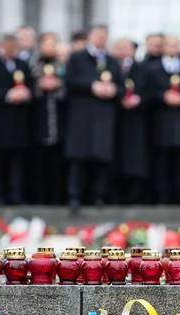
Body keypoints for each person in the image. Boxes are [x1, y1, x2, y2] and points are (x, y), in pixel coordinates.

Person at [65, 25, 124, 212]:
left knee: (101, 159)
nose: (100, 39)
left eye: (103, 36)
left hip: (104, 117)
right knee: (79, 159)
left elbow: (122, 86)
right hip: (81, 116)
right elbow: (70, 81)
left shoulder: (112, 62)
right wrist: (92, 86)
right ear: (90, 37)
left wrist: (114, 89)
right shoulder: (77, 58)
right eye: (97, 35)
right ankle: (74, 196)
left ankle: (98, 196)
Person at [0, 34, 33, 205]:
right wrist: (7, 95)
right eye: (8, 47)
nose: (11, 50)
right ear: (1, 46)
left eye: (13, 47)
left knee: (16, 161)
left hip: (18, 123)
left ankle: (15, 194)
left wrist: (26, 93)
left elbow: (30, 85)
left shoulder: (22, 65)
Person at [147, 35, 180, 204]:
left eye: (176, 45)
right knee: (162, 162)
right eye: (169, 45)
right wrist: (163, 96)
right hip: (161, 123)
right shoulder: (153, 69)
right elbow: (148, 92)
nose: (172, 48)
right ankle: (162, 197)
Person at [30, 32, 66, 204]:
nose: (50, 47)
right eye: (47, 43)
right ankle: (38, 199)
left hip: (59, 123)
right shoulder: (32, 66)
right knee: (37, 164)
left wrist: (58, 85)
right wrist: (39, 85)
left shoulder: (62, 66)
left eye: (53, 43)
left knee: (56, 165)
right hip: (38, 122)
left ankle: (56, 199)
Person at [115, 38, 149, 204]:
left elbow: (151, 91)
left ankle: (135, 195)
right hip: (116, 120)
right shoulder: (111, 67)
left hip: (137, 120)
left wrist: (139, 99)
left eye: (127, 47)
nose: (124, 51)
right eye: (120, 47)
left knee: (136, 159)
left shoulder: (142, 69)